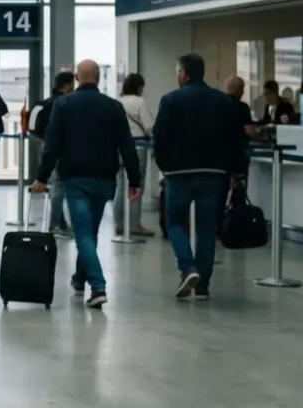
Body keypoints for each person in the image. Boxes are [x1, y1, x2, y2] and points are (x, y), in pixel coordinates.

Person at [31, 60, 142, 309]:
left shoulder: (64, 104)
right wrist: (135, 180)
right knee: (88, 232)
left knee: (83, 233)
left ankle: (98, 286)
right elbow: (127, 145)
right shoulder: (113, 106)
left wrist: (41, 176)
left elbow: (52, 144)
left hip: (75, 177)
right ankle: (80, 279)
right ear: (99, 79)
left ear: (78, 80)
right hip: (104, 179)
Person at [153, 54, 246, 301]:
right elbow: (236, 140)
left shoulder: (171, 100)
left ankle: (187, 267)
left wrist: (163, 166)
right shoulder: (223, 102)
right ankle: (203, 286)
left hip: (179, 173)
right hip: (214, 173)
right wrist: (238, 170)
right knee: (207, 227)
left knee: (174, 222)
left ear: (183, 74)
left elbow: (159, 137)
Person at [28, 72, 75, 236]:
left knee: (57, 183)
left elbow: (34, 126)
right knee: (59, 184)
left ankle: (60, 222)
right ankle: (56, 224)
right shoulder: (65, 103)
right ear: (68, 85)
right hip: (62, 148)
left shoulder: (46, 103)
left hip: (46, 145)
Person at [117, 73, 156, 237]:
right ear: (139, 87)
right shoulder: (140, 102)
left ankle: (119, 224)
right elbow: (148, 126)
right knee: (136, 186)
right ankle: (134, 224)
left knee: (120, 187)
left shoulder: (117, 102)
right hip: (137, 147)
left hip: (118, 147)